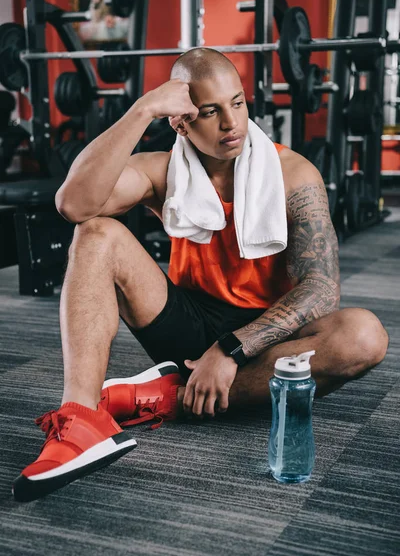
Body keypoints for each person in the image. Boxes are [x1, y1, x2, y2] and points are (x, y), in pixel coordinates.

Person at [13, 48, 389, 502]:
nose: (232, 124)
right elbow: (73, 204)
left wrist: (230, 350)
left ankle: (169, 395)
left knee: (365, 335)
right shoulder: (164, 171)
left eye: (237, 103)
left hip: (269, 338)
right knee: (96, 234)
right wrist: (143, 108)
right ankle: (80, 419)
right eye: (210, 112)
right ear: (181, 121)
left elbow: (321, 289)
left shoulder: (294, 175)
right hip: (186, 324)